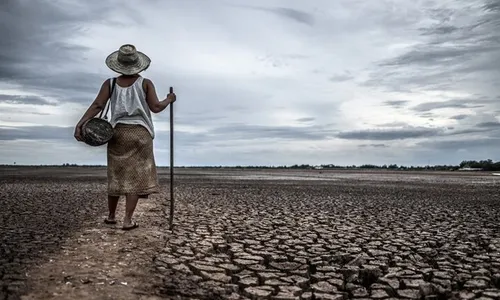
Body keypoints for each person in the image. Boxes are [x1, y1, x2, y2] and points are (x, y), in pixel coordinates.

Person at [74, 44, 176, 230]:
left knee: (116, 175)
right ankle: (127, 220)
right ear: (138, 64)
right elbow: (156, 107)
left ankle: (111, 216)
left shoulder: (110, 84)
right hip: (141, 134)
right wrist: (169, 99)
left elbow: (97, 105)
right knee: (135, 178)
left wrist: (81, 123)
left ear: (118, 64)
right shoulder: (145, 83)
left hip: (117, 133)